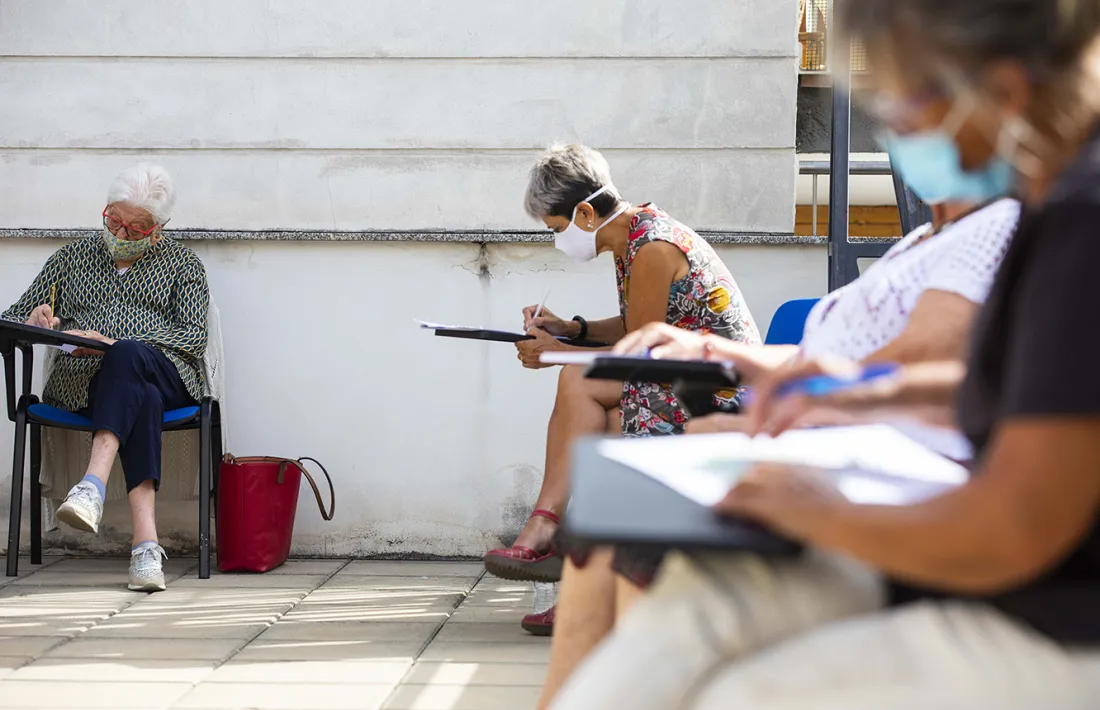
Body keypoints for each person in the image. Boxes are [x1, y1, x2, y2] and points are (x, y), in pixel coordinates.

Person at [548, 1, 1100, 708]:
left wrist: (819, 511)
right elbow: (1040, 381)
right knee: (703, 598)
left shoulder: (1077, 226)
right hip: (983, 550)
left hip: (1054, 617)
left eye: (903, 106)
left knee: (742, 693)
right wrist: (860, 388)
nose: (892, 130)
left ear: (1002, 93)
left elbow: (1014, 529)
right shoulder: (1052, 201)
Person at [482, 143, 761, 623]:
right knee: (607, 421)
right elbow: (640, 326)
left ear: (585, 213)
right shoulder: (631, 235)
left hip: (716, 388)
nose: (557, 241)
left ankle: (548, 530)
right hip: (675, 377)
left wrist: (559, 354)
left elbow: (642, 351)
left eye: (556, 228)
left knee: (578, 379)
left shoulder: (651, 248)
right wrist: (571, 329)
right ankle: (590, 583)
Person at [2, 163, 209, 593]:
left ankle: (91, 484)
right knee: (141, 398)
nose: (122, 232)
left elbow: (192, 335)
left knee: (128, 354)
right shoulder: (71, 258)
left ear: (159, 227)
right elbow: (10, 320)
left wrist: (110, 340)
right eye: (115, 220)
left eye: (137, 228)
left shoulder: (184, 265)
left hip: (169, 374)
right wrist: (41, 322)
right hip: (83, 385)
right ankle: (145, 548)